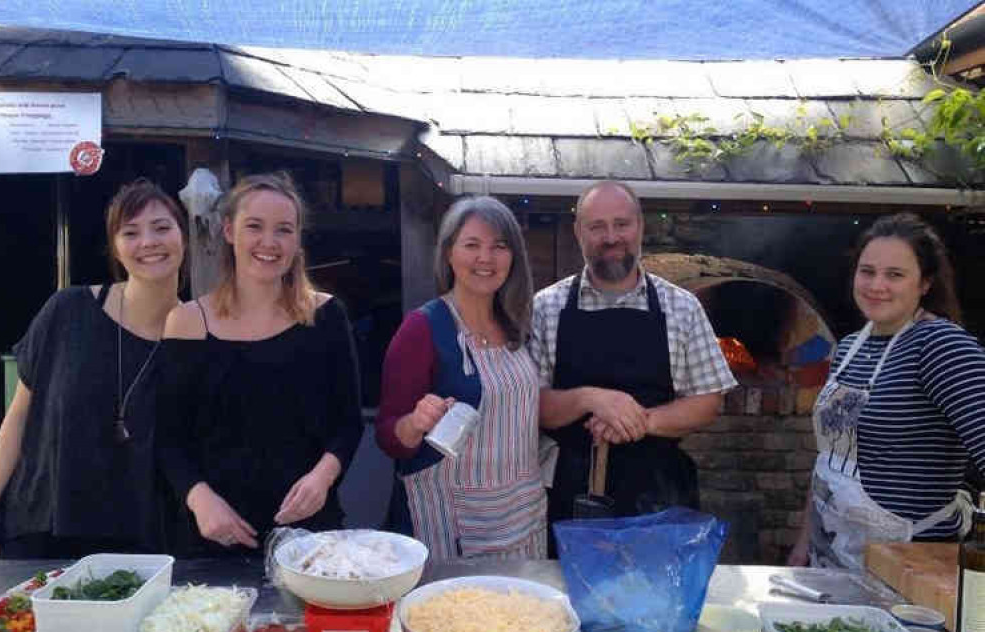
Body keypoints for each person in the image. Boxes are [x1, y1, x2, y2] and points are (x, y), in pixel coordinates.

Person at [157, 172, 362, 556]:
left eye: (284, 230)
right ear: (229, 231)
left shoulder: (327, 315)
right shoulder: (186, 321)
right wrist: (199, 499)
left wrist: (323, 477)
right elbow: (168, 439)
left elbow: (348, 424)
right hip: (212, 535)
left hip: (309, 534)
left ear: (297, 240)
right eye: (255, 226)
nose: (269, 242)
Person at [0, 179, 186, 558]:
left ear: (183, 236)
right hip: (42, 528)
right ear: (115, 247)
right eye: (131, 232)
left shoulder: (196, 333)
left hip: (140, 543)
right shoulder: (67, 310)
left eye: (162, 227)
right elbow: (18, 417)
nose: (149, 242)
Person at [530, 180, 736, 542]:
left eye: (621, 224)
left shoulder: (682, 307)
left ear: (640, 226)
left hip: (659, 496)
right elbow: (531, 405)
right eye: (597, 226)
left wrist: (640, 421)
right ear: (579, 232)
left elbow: (708, 401)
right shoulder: (545, 308)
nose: (611, 237)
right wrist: (591, 399)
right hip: (569, 495)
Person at [789, 213, 985, 569]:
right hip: (832, 553)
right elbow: (829, 461)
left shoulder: (941, 347)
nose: (876, 285)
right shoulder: (849, 348)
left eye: (895, 275)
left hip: (907, 564)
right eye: (867, 271)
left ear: (925, 283)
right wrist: (803, 544)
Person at [375, 195, 546, 561]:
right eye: (472, 245)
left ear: (512, 258)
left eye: (499, 246)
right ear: (449, 253)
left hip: (520, 515)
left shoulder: (518, 325)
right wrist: (414, 423)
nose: (486, 258)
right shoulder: (422, 329)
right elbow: (388, 436)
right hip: (451, 525)